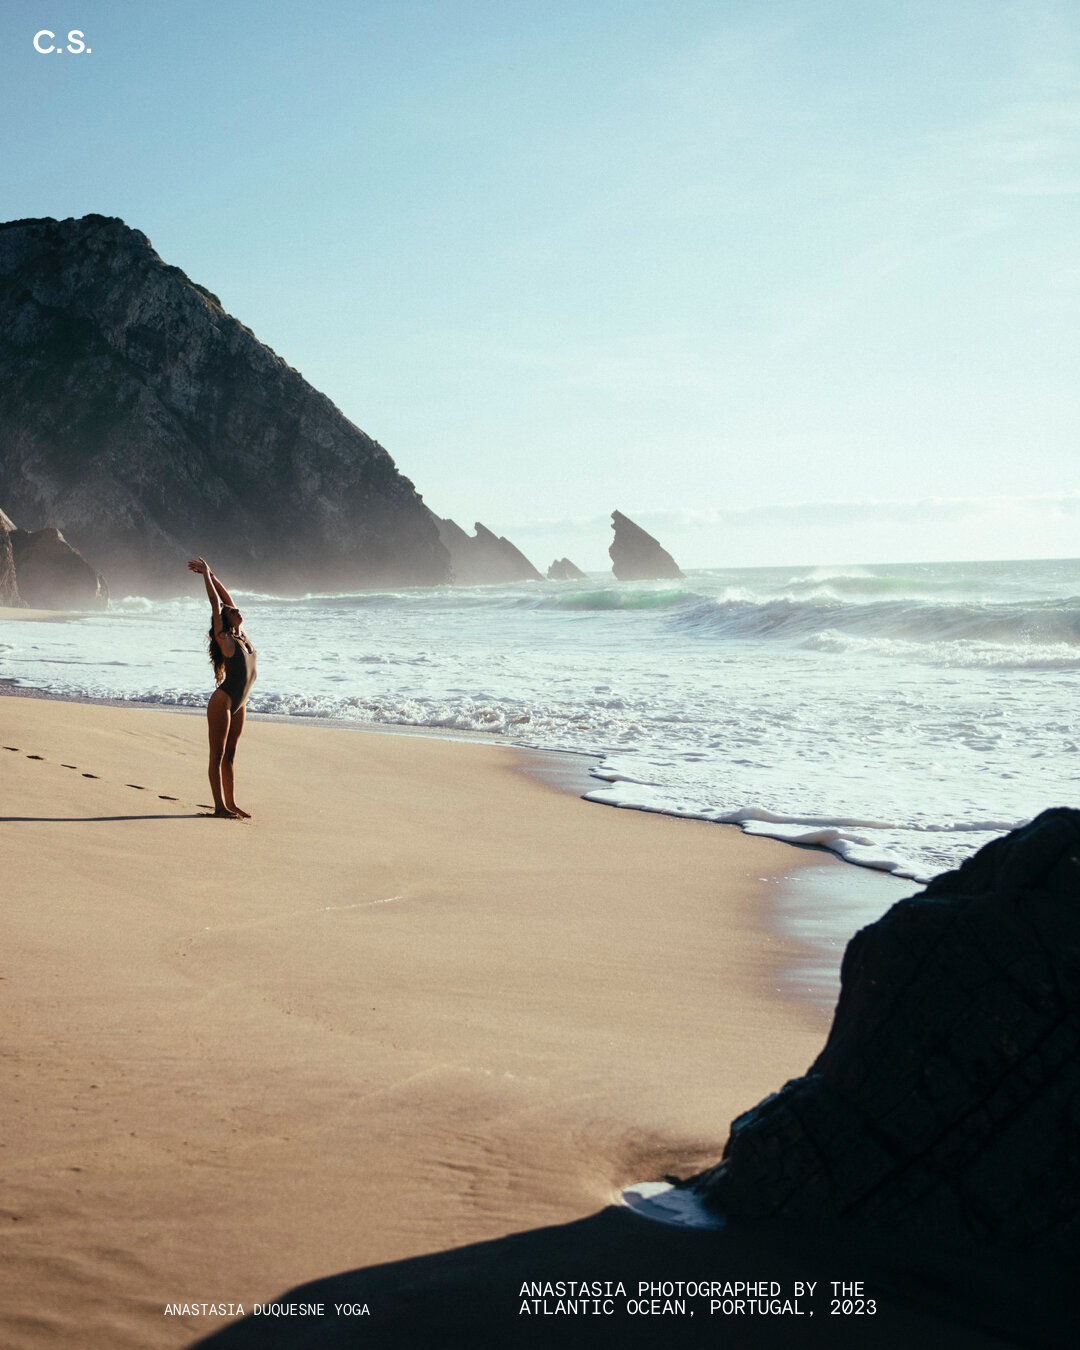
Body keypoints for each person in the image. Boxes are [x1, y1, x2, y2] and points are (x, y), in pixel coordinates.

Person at [188, 556, 256, 818]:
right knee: (216, 755)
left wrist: (214, 574)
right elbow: (217, 604)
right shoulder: (225, 636)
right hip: (224, 701)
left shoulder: (242, 635)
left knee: (230, 755)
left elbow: (226, 600)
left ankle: (231, 803)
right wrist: (205, 576)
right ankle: (219, 807)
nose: (236, 609)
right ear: (225, 620)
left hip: (241, 702)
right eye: (232, 611)